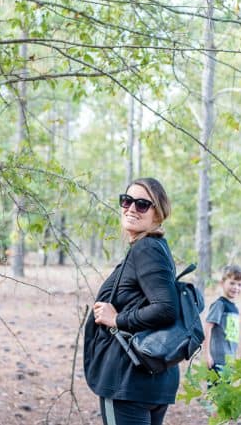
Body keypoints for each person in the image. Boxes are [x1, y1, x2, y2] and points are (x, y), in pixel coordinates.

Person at [83, 177, 179, 425]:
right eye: (126, 201)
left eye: (142, 204)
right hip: (145, 380)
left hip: (129, 381)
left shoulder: (147, 248)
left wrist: (117, 318)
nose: (131, 208)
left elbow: (166, 308)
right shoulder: (153, 248)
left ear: (158, 214)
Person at [203, 265, 241, 378]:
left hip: (229, 361)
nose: (235, 287)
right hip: (217, 360)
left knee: (226, 393)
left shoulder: (234, 308)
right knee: (216, 394)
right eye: (232, 283)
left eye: (239, 284)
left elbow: (234, 336)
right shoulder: (219, 305)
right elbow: (207, 327)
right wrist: (207, 354)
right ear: (222, 283)